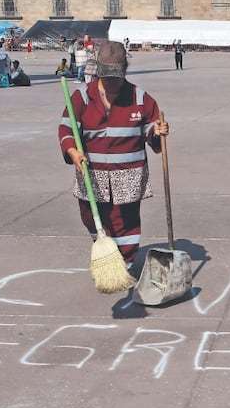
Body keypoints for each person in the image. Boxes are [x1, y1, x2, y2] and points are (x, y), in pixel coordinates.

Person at [59, 40, 168, 267]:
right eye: (107, 77)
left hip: (128, 175)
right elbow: (66, 128)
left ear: (125, 71)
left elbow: (151, 127)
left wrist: (157, 131)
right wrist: (72, 151)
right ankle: (105, 247)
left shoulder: (140, 98)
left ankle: (124, 263)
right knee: (90, 216)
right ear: (98, 72)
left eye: (116, 77)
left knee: (125, 221)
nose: (111, 82)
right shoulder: (82, 97)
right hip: (92, 174)